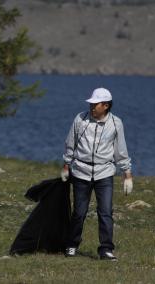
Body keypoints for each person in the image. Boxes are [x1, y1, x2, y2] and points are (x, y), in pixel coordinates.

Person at [61, 87, 132, 261]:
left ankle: (106, 249)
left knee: (106, 212)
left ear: (106, 105)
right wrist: (65, 165)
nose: (92, 107)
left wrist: (127, 174)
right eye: (91, 103)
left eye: (96, 104)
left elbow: (120, 151)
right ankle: (71, 245)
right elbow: (71, 143)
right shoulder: (80, 119)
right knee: (79, 212)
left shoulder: (116, 124)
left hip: (104, 173)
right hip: (80, 172)